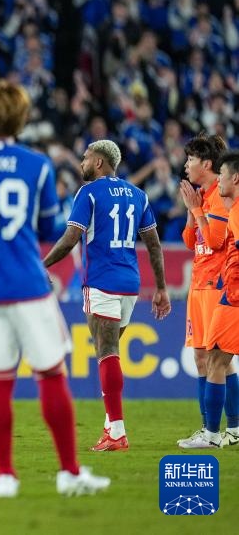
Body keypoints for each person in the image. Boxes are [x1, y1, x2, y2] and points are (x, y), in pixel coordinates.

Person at [0, 80, 110, 499]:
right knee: (50, 375)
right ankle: (69, 473)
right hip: (28, 286)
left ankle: (5, 476)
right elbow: (47, 226)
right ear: (21, 118)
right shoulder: (37, 165)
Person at [43, 140, 171, 452]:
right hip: (130, 284)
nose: (82, 163)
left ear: (99, 162)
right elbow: (154, 244)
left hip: (101, 281)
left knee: (106, 351)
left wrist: (40, 266)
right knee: (110, 352)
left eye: (86, 158)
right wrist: (161, 287)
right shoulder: (137, 194)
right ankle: (110, 427)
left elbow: (71, 237)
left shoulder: (88, 193)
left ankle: (117, 432)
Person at [175, 135, 239, 448]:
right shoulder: (203, 196)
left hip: (217, 285)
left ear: (207, 164)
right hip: (199, 284)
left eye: (191, 160)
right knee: (205, 358)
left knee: (216, 359)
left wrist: (197, 209)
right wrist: (192, 211)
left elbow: (214, 241)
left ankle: (216, 429)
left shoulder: (221, 197)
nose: (186, 165)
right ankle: (225, 428)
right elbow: (192, 242)